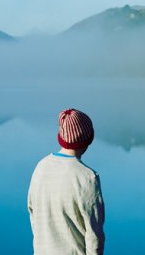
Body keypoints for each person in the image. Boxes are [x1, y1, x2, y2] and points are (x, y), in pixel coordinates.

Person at [28, 108, 105, 255]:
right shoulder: (88, 178)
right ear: (89, 139)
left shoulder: (41, 167)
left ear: (61, 137)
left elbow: (33, 214)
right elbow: (94, 236)